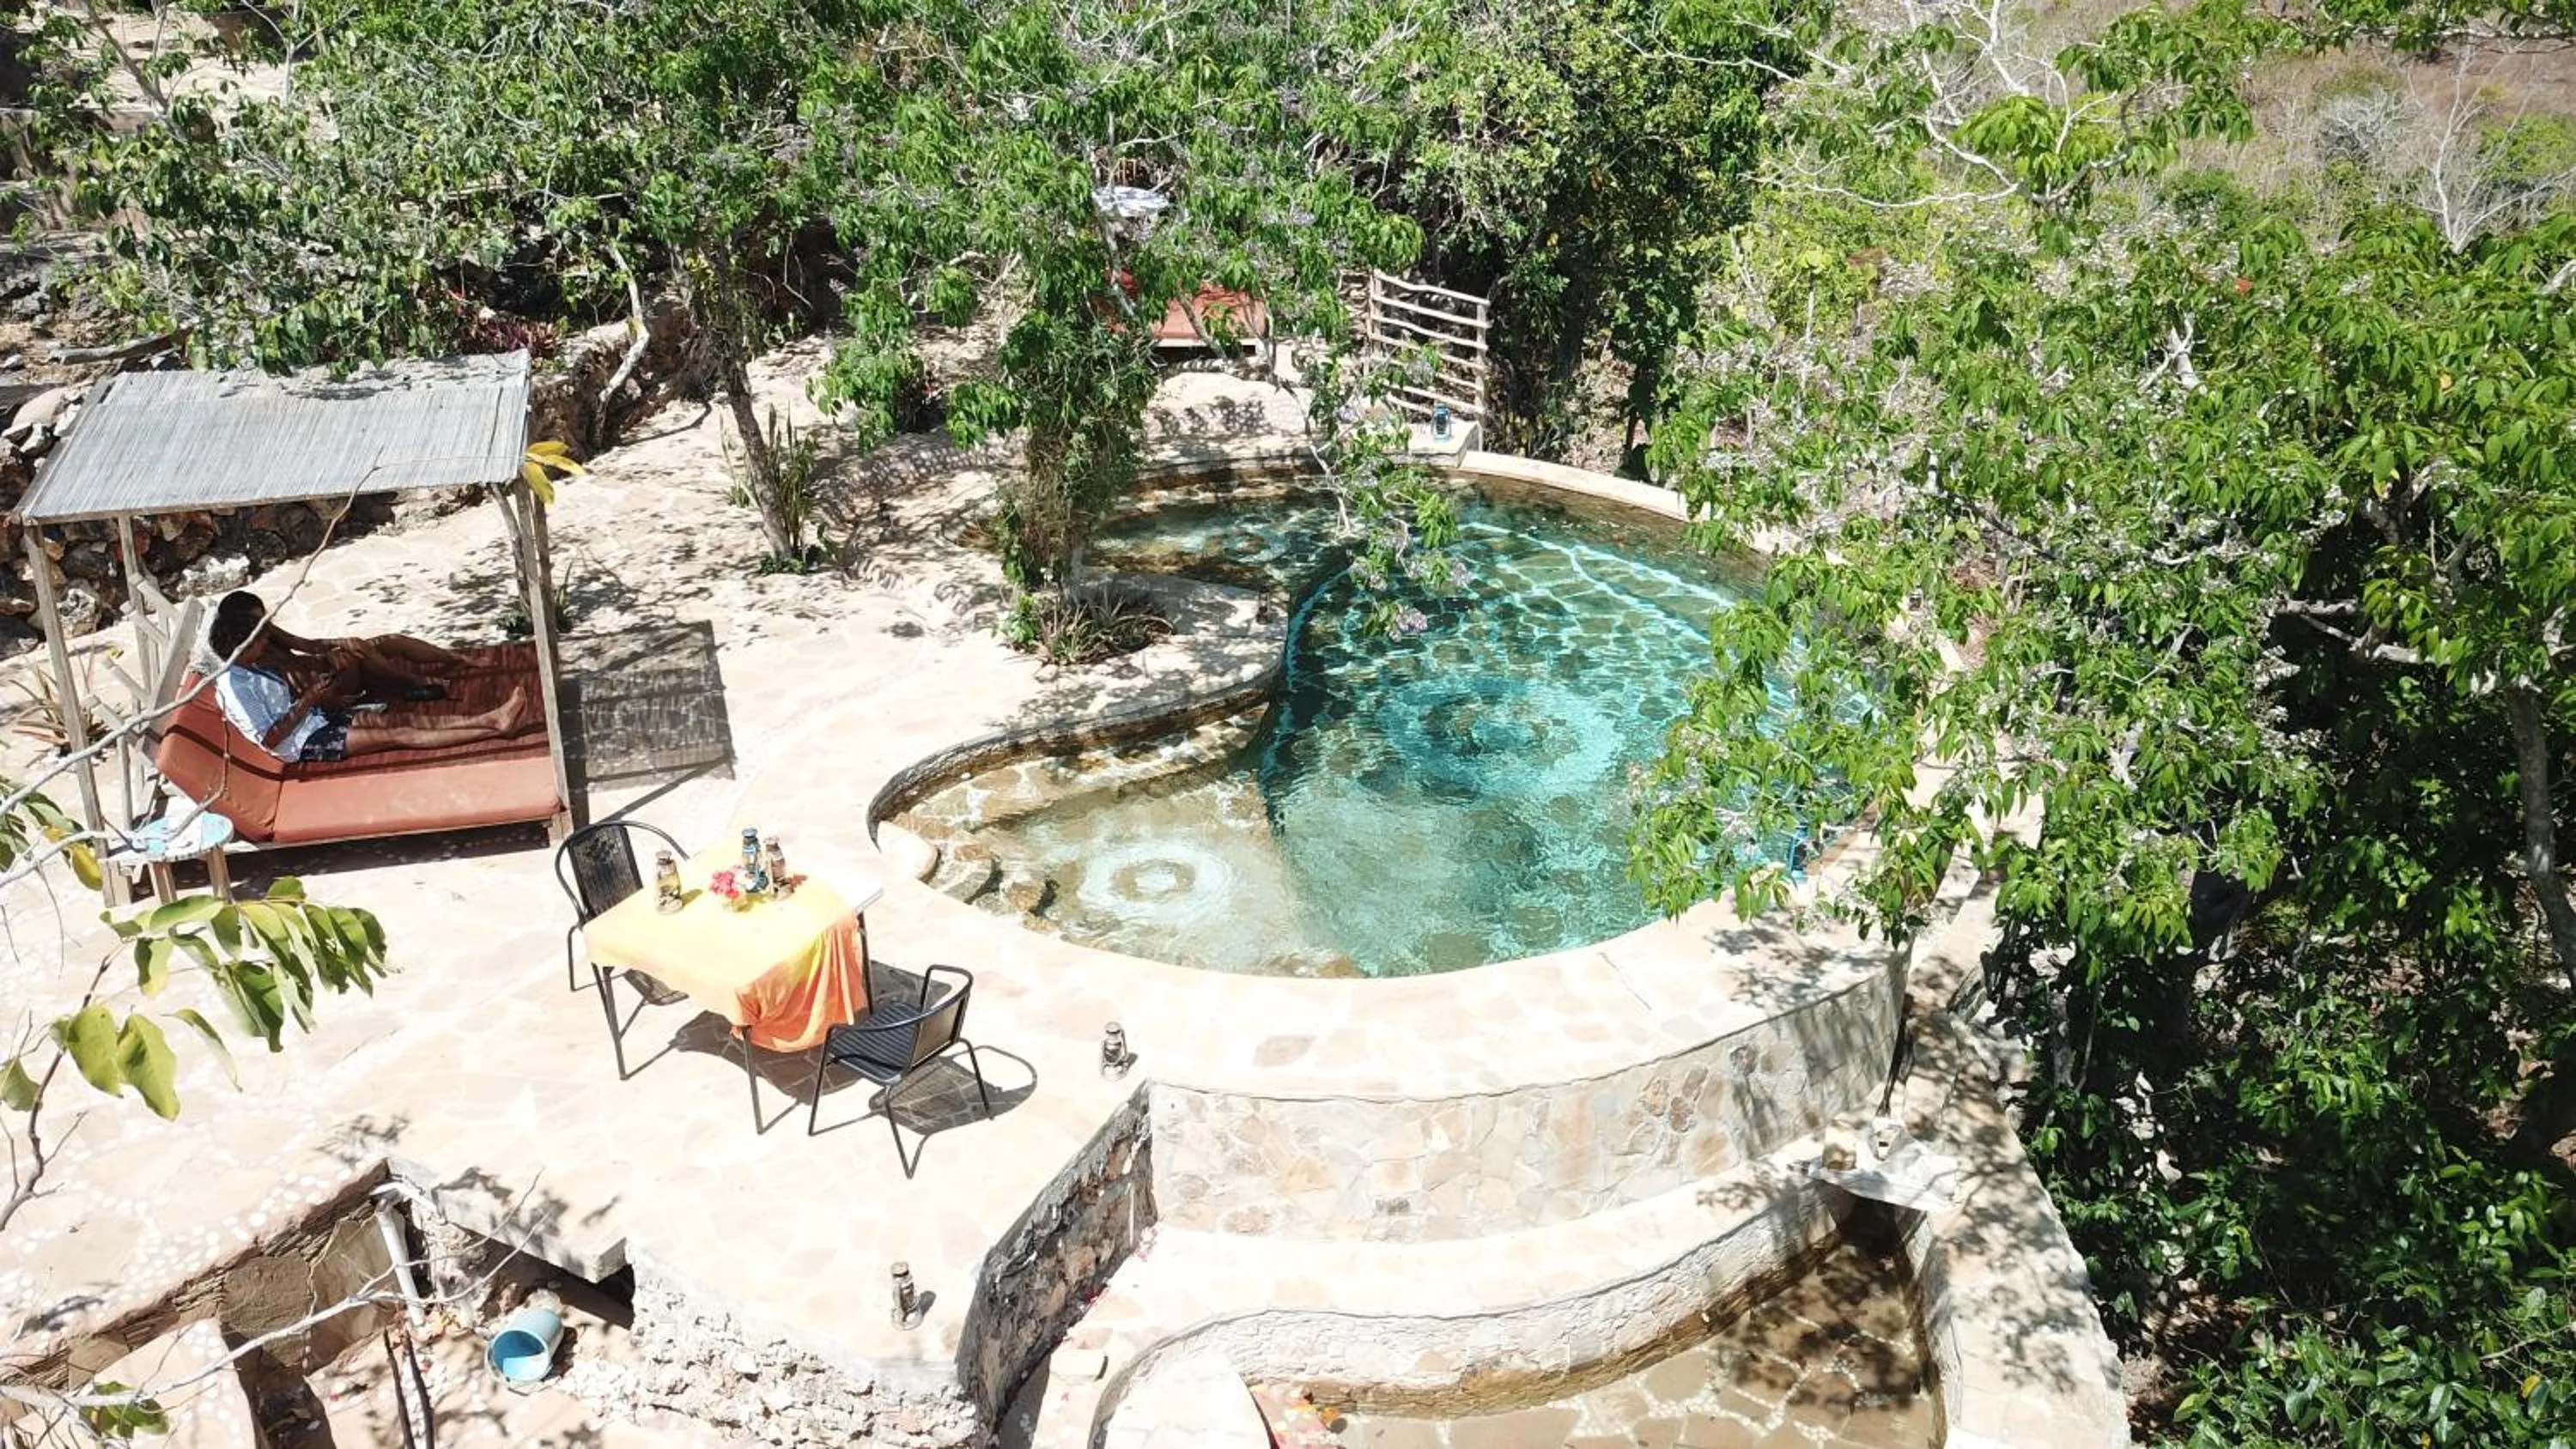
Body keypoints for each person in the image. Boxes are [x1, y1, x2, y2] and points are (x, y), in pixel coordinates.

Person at [202, 600, 536, 763]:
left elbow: (303, 654)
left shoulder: (251, 666)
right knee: (398, 734)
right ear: (240, 646)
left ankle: (492, 719)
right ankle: (494, 723)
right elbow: (272, 739)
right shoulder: (235, 687)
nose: (264, 644)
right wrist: (311, 700)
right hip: (303, 743)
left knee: (402, 721)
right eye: (258, 641)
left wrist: (316, 700)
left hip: (313, 718)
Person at [205, 591, 469, 706]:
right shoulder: (253, 665)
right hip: (327, 692)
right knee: (360, 653)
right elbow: (297, 696)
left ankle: (455, 658)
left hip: (325, 673)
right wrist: (331, 689)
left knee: (389, 641)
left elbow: (305, 646)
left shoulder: (267, 632)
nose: (263, 625)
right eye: (256, 622)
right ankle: (414, 681)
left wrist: (339, 642)